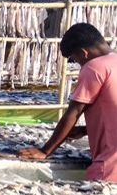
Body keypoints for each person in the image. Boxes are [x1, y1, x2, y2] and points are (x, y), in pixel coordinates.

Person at [18, 23, 117, 182]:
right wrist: (86, 130)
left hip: (110, 169)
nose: (79, 64)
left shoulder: (94, 67)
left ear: (84, 53)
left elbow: (74, 112)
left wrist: (45, 151)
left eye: (76, 59)